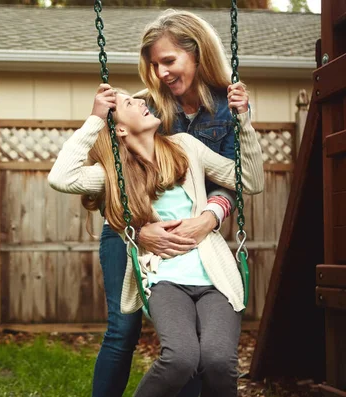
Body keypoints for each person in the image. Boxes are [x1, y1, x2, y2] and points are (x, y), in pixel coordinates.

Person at [48, 83, 263, 396]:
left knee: (216, 359)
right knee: (174, 354)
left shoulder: (185, 147)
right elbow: (61, 178)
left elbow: (250, 180)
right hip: (166, 279)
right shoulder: (116, 173)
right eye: (128, 104)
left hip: (212, 274)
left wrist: (243, 119)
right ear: (119, 129)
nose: (140, 103)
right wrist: (95, 119)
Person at [89, 9, 244, 397]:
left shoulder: (228, 109)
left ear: (197, 53)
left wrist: (208, 218)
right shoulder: (146, 107)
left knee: (191, 348)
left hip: (190, 237)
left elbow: (232, 180)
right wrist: (139, 232)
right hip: (127, 230)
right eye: (154, 64)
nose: (161, 73)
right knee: (122, 330)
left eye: (169, 61)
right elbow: (107, 179)